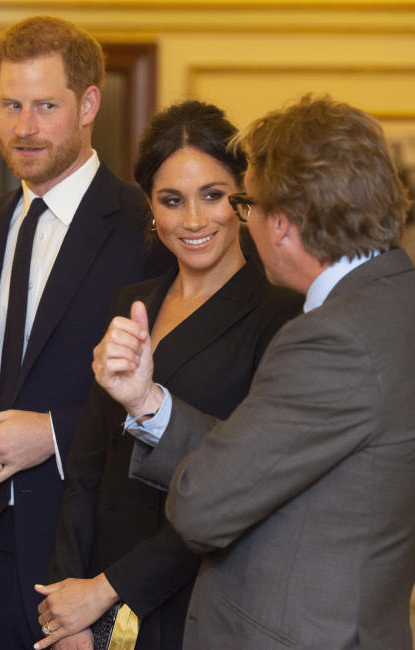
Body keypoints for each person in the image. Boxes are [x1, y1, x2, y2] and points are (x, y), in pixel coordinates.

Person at [86, 95, 415, 649]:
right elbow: (277, 467)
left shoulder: (334, 338)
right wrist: (148, 402)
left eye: (248, 205)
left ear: (283, 223)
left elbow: (200, 507)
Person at [0, 16, 169, 648]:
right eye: (11, 105)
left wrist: (53, 433)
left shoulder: (148, 229)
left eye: (46, 106)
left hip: (84, 564)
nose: (24, 127)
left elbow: (174, 394)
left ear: (88, 105)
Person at [36, 100, 303, 650]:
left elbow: (240, 492)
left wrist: (107, 591)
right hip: (93, 600)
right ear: (152, 211)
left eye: (213, 195)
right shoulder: (133, 302)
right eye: (172, 201)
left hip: (193, 600)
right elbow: (87, 467)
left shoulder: (279, 315)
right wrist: (69, 607)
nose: (195, 220)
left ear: (244, 200)